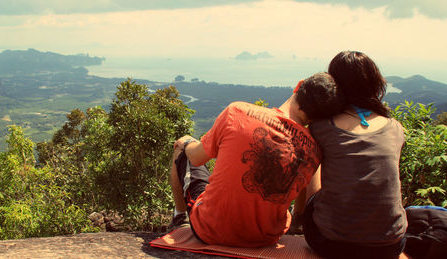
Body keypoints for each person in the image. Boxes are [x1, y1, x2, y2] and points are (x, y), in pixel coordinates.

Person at [169, 72, 345, 247]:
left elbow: (196, 158)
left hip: (210, 230)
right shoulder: (313, 151)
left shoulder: (237, 111)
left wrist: (186, 142)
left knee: (181, 149)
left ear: (299, 85)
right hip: (265, 238)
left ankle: (180, 218)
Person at [299, 51, 408, 259]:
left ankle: (298, 216)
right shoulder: (395, 128)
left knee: (315, 159)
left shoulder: (322, 128)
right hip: (389, 246)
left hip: (331, 243)